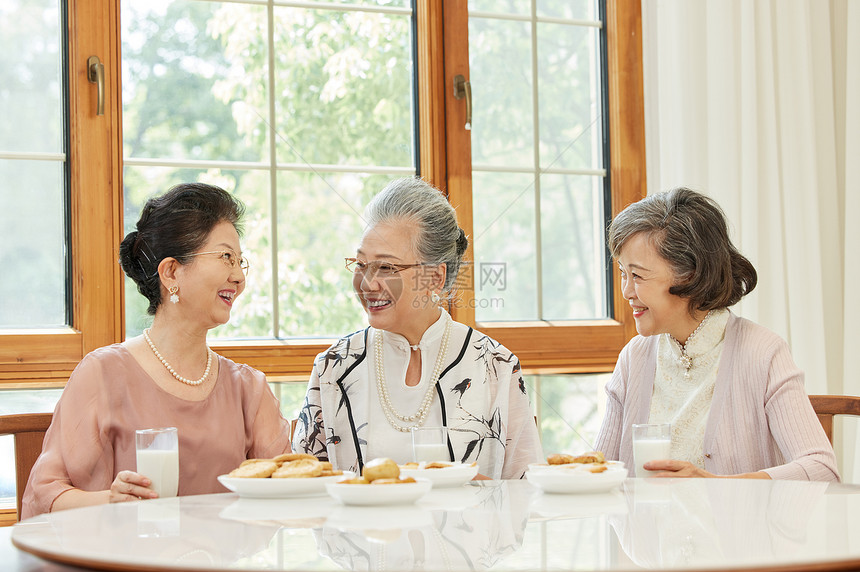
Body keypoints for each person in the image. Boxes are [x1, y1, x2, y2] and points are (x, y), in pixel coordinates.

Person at [22, 183, 292, 518]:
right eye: (225, 257)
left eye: (240, 261)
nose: (238, 276)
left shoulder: (248, 389)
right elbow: (44, 498)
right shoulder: (103, 374)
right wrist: (111, 501)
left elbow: (286, 493)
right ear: (171, 272)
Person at [292, 177, 542, 479]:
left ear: (435, 278)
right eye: (360, 265)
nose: (368, 284)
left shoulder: (495, 365)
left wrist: (476, 489)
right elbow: (301, 489)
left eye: (386, 267)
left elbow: (526, 495)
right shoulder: (333, 367)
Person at [594, 187, 839, 481]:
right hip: (645, 529)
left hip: (736, 529)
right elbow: (601, 473)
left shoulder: (763, 352)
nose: (626, 292)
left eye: (638, 276)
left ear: (690, 274)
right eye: (623, 273)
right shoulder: (634, 358)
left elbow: (822, 471)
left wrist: (718, 487)